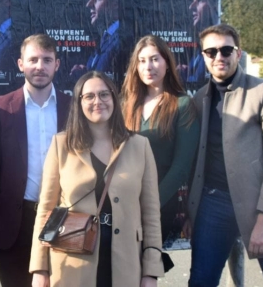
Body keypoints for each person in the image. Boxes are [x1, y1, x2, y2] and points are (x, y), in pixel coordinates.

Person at [188, 24, 263, 287]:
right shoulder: (199, 99)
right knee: (201, 282)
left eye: (226, 49)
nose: (219, 56)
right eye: (211, 51)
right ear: (203, 56)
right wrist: (191, 210)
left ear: (238, 53)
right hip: (214, 204)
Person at [31, 71, 165, 286]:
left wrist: (151, 271)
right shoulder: (61, 145)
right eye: (89, 96)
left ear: (114, 98)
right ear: (79, 102)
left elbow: (150, 215)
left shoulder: (140, 146)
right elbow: (45, 210)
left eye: (104, 94)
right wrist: (40, 268)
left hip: (126, 262)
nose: (98, 101)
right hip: (72, 262)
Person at [0, 34, 72, 286]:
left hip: (63, 218)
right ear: (20, 64)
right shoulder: (2, 107)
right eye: (33, 59)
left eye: (47, 60)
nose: (40, 66)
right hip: (15, 224)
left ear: (57, 65)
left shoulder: (73, 108)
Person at [121, 35, 200, 244]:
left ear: (167, 63)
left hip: (159, 206)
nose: (149, 66)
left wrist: (150, 205)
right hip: (123, 203)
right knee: (121, 270)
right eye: (142, 60)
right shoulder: (125, 105)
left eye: (155, 59)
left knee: (146, 269)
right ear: (136, 67)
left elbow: (181, 168)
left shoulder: (182, 105)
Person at [70, 0, 124, 79]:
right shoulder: (107, 37)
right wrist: (86, 72)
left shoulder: (124, 40)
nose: (89, 4)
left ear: (116, 4)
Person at [181, 0, 220, 84]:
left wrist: (181, 76)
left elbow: (200, 81)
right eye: (193, 1)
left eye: (199, 1)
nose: (191, 6)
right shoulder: (201, 44)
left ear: (214, 5)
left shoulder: (218, 46)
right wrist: (185, 70)